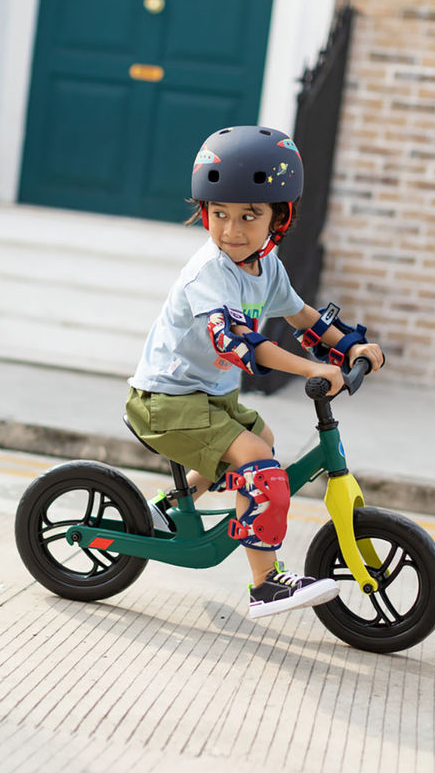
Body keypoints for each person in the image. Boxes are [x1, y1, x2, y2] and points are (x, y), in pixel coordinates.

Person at [126, 125, 385, 618]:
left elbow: (302, 316)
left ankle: (168, 506)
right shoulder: (210, 272)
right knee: (261, 467)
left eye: (249, 216)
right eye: (219, 214)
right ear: (205, 211)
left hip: (207, 398)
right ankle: (265, 584)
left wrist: (351, 344)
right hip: (165, 402)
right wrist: (312, 368)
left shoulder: (266, 267)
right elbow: (241, 342)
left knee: (261, 439)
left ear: (278, 219)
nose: (232, 230)